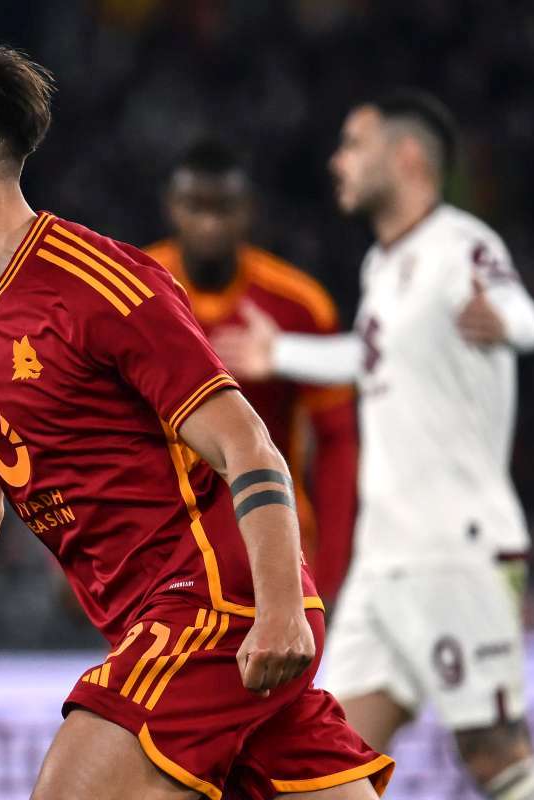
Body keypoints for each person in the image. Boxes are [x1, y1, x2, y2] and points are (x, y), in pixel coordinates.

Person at [0, 35, 393, 800]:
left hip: (216, 606)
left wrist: (282, 609)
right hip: (169, 629)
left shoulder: (101, 286)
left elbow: (248, 446)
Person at [212, 90, 534, 799]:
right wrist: (281, 354)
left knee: (496, 756)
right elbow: (372, 358)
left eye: (353, 144)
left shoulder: (460, 244)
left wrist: (509, 323)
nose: (338, 161)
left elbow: (521, 313)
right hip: (384, 559)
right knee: (326, 763)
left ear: (406, 157)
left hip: (455, 547)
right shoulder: (382, 265)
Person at [146, 143, 358, 604]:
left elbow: (337, 441)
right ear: (172, 208)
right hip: (162, 549)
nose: (209, 224)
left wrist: (332, 570)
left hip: (274, 544)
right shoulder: (133, 292)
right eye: (196, 207)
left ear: (247, 211)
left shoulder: (298, 305)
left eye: (222, 209)